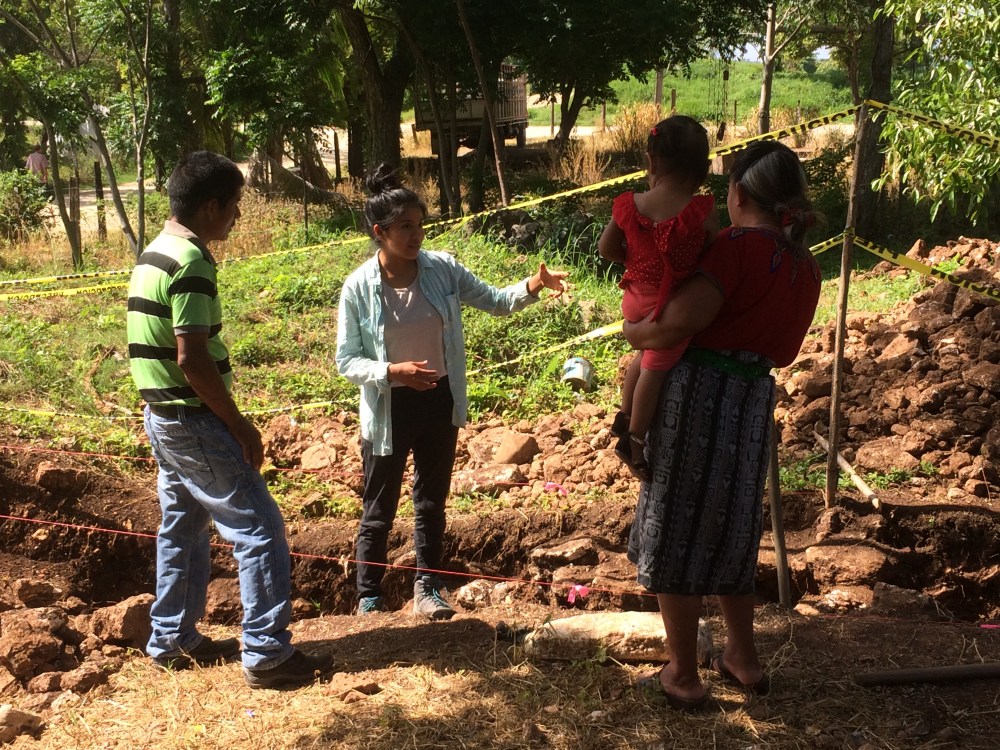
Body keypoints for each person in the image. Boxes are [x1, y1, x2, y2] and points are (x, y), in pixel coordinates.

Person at [622, 140, 822, 711]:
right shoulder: (803, 265)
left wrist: (635, 333)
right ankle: (743, 657)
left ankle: (683, 674)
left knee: (676, 529)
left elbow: (677, 323)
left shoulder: (736, 247)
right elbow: (786, 349)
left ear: (737, 194)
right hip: (752, 398)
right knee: (734, 528)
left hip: (697, 397)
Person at [127, 150, 333, 689]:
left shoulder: (155, 251)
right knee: (259, 528)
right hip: (194, 420)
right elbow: (192, 358)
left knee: (183, 527)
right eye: (235, 205)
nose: (238, 216)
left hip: (162, 416)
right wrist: (238, 424)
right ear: (211, 206)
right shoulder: (192, 262)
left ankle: (173, 638)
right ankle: (266, 652)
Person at [336, 164, 568, 620]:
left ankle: (428, 587)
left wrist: (535, 284)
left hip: (438, 401)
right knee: (378, 506)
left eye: (420, 225)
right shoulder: (358, 288)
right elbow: (346, 360)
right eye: (405, 227)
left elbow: (495, 301)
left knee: (430, 502)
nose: (416, 235)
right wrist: (392, 371)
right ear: (380, 232)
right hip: (388, 407)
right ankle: (369, 597)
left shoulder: (441, 269)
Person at [597, 115, 717, 481]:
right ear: (704, 169)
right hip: (664, 306)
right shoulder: (700, 213)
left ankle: (623, 415)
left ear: (651, 161)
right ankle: (634, 438)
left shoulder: (630, 205)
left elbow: (606, 249)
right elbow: (714, 254)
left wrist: (634, 261)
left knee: (643, 354)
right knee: (657, 363)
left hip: (634, 298)